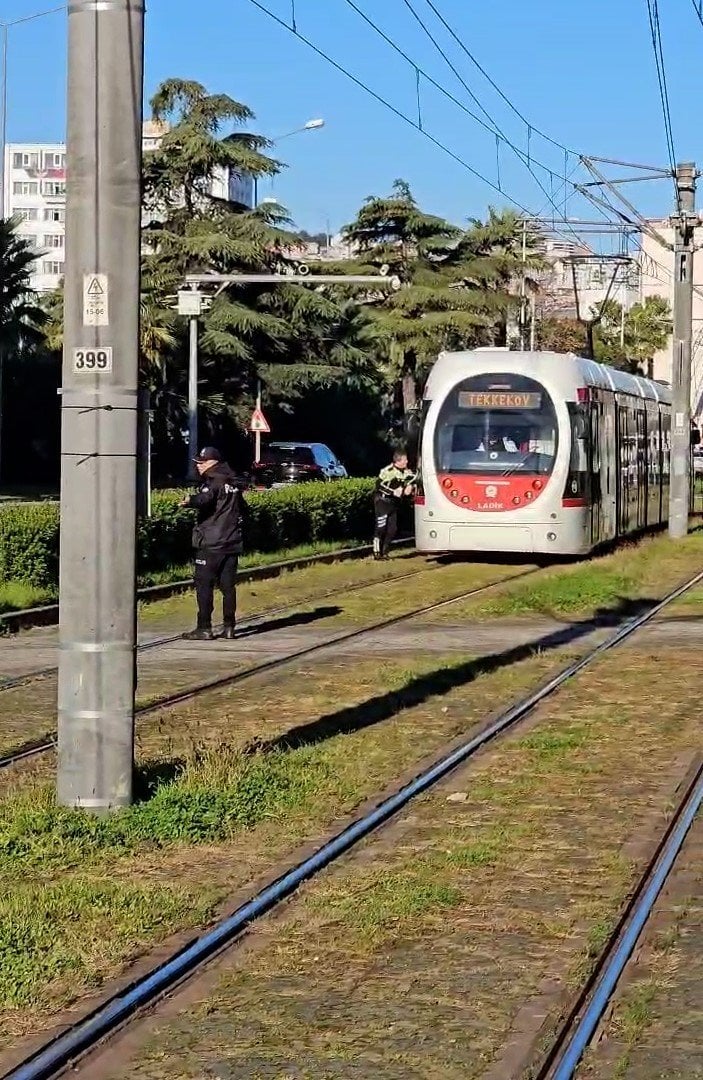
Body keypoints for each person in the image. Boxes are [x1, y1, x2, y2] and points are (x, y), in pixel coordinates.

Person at [180, 447, 249, 641]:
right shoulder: (232, 481)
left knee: (204, 585)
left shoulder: (213, 480)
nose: (199, 466)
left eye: (202, 463)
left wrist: (190, 500)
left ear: (213, 463)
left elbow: (205, 499)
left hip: (211, 543)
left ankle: (204, 627)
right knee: (228, 587)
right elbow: (243, 509)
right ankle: (229, 627)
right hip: (232, 542)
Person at [373, 450, 415, 560]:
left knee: (392, 529)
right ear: (398, 460)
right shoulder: (388, 471)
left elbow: (410, 483)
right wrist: (392, 492)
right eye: (405, 460)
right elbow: (379, 485)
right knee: (381, 527)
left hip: (393, 503)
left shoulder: (407, 472)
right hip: (382, 501)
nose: (407, 462)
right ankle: (376, 552)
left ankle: (385, 552)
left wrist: (410, 487)